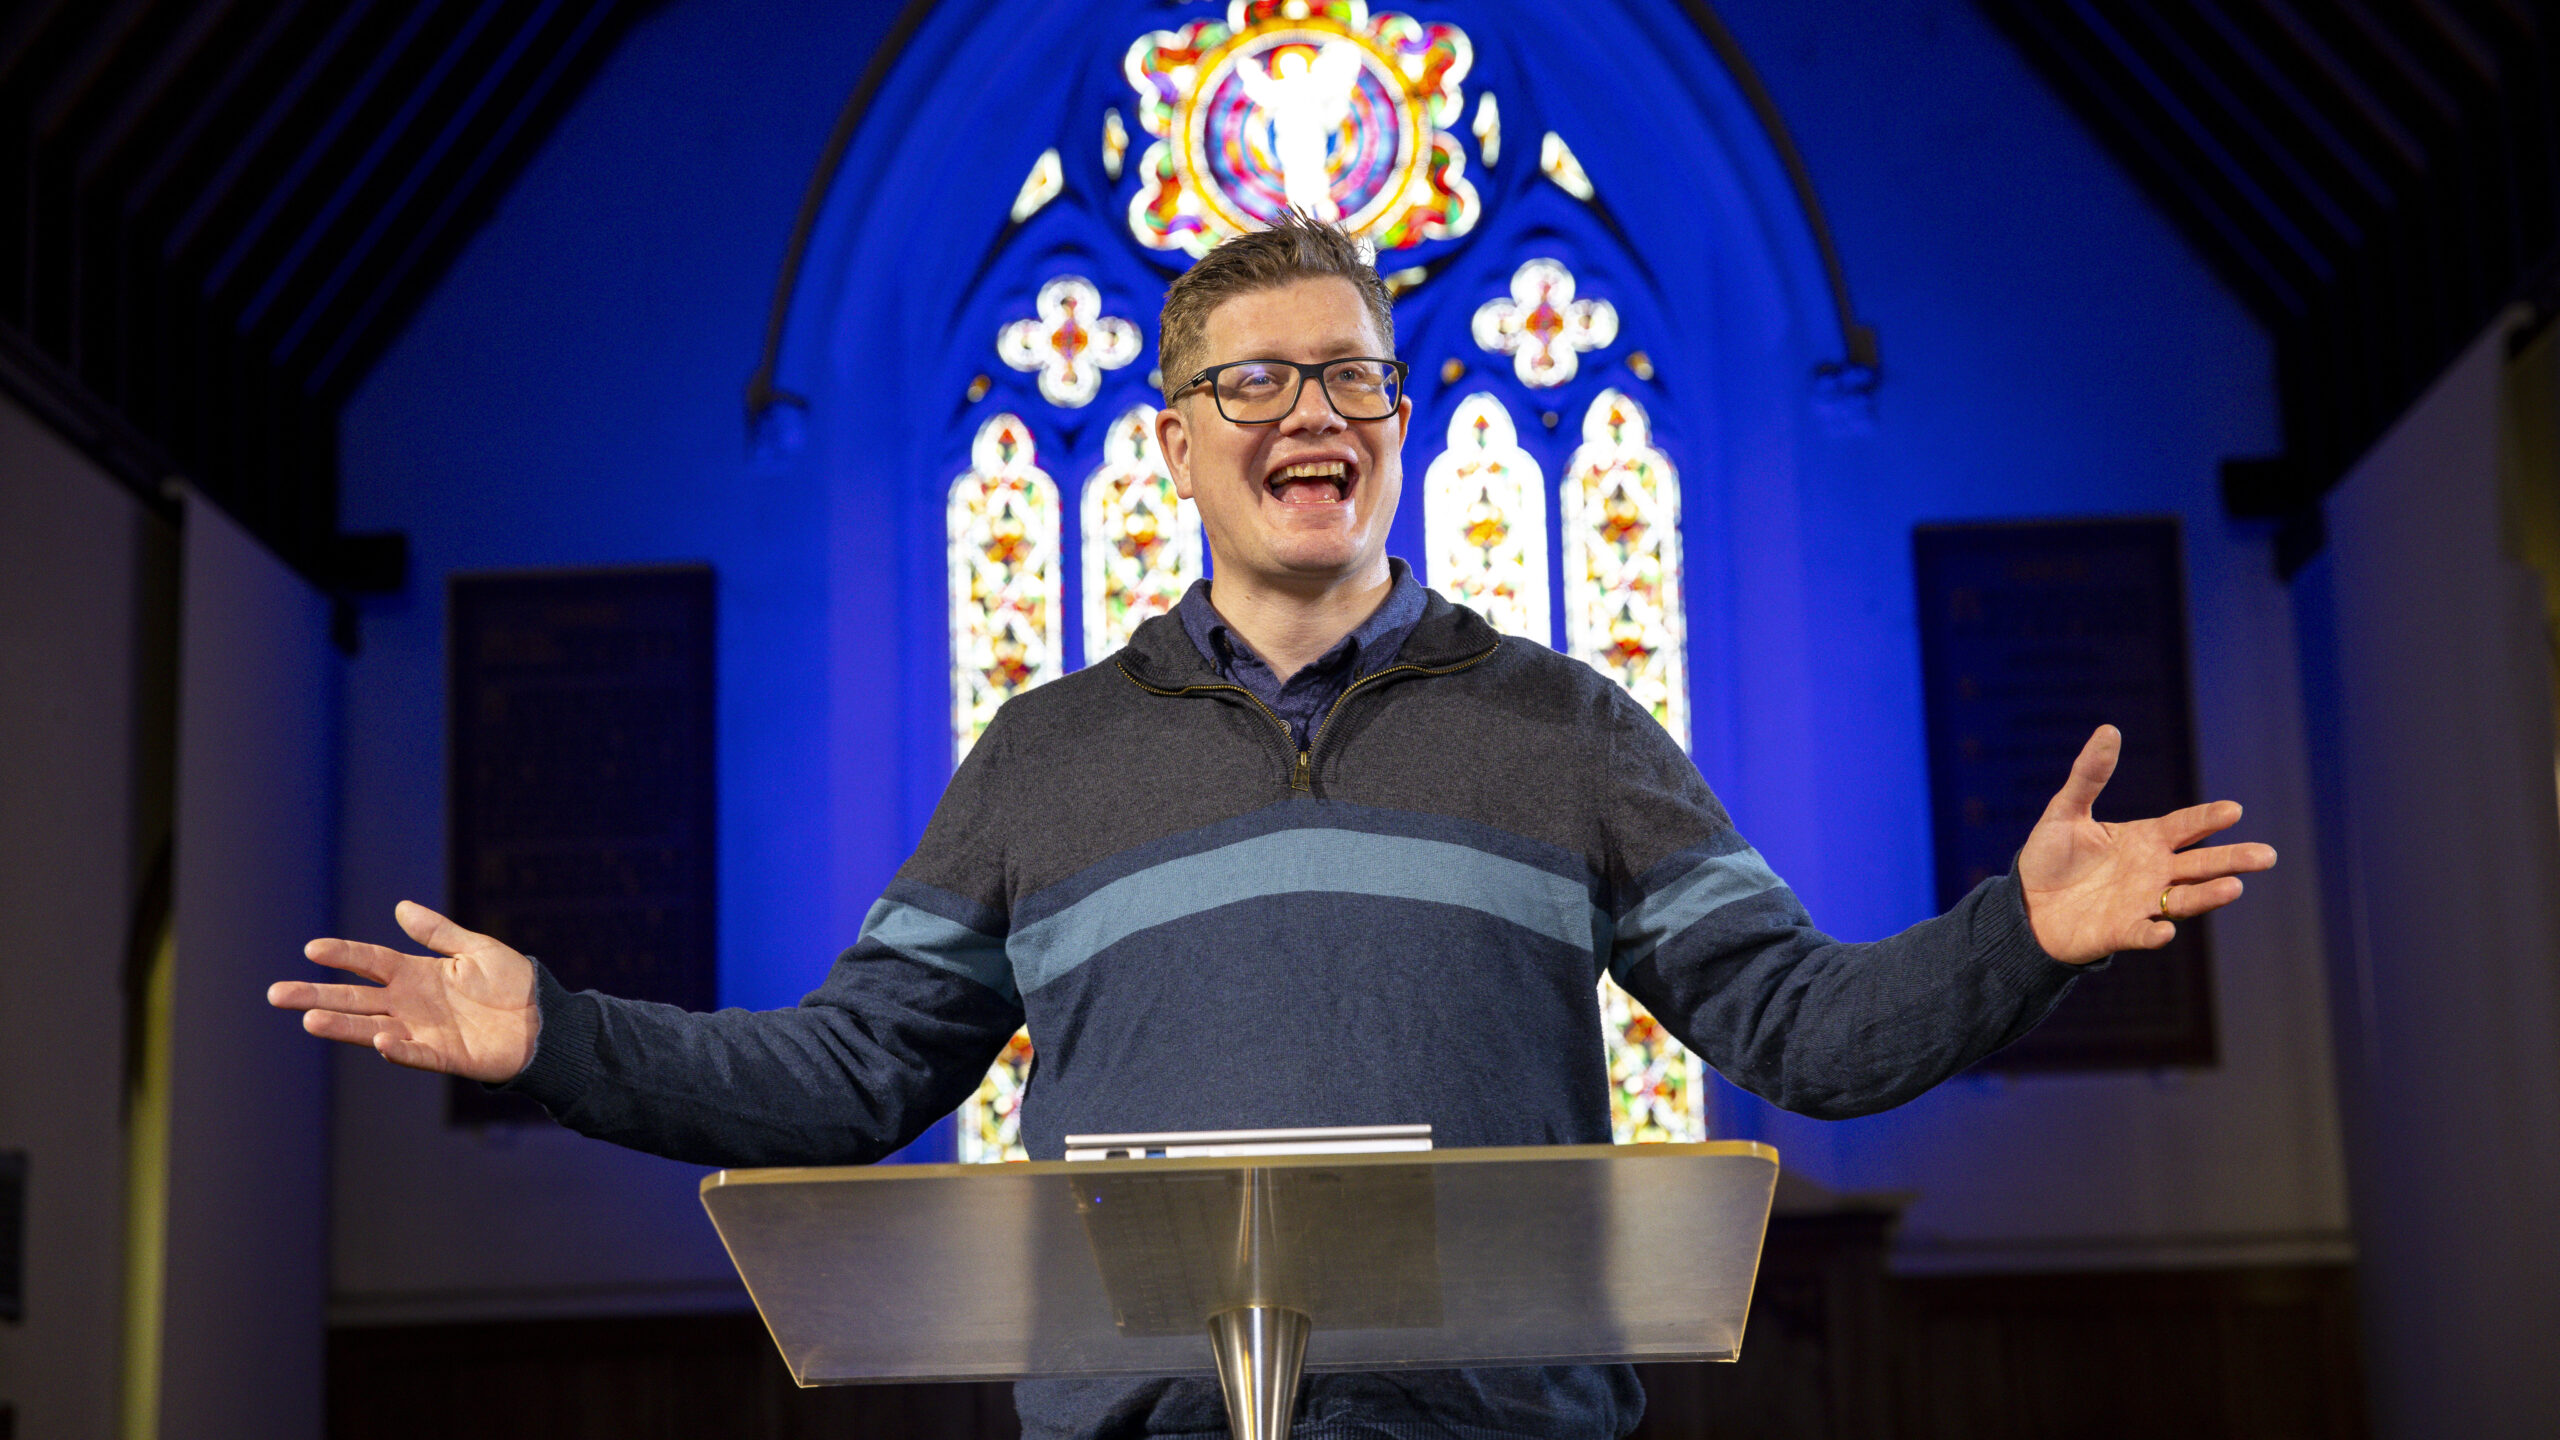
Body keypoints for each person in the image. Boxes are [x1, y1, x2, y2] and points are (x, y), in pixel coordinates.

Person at [270, 213, 2275, 1440]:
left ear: (1397, 420)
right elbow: (847, 1072)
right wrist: (561, 1037)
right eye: (1253, 381)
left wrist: (2018, 933)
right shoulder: (1043, 759)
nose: (1307, 412)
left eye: (1349, 374)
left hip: (1488, 1433)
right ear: (1173, 441)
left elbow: (1802, 1032)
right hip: (1149, 1428)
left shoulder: (1566, 727)